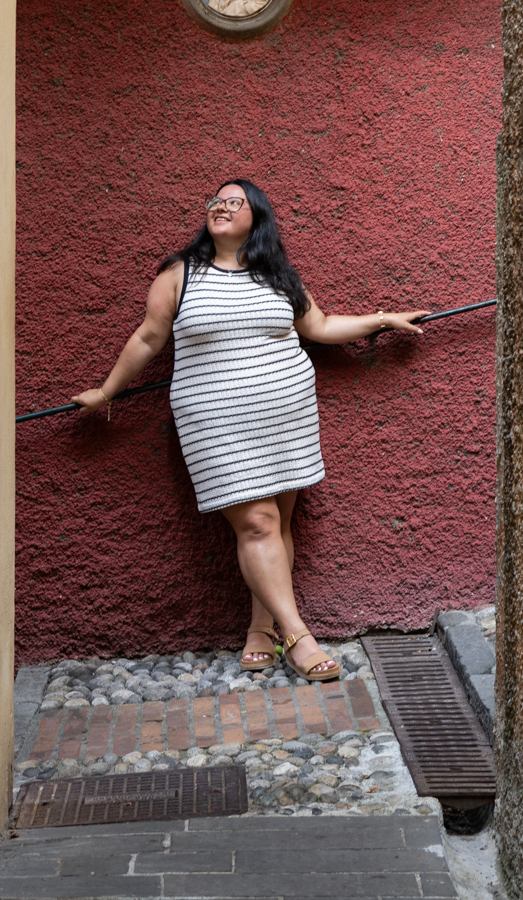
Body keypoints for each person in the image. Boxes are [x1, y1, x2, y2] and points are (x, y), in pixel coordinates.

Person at [72, 179, 429, 682]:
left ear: (256, 216)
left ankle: (260, 630)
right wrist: (106, 392)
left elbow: (320, 328)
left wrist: (383, 319)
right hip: (215, 421)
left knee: (278, 523)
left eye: (233, 201)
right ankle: (298, 637)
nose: (220, 206)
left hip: (285, 414)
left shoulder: (277, 274)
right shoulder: (180, 274)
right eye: (215, 201)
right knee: (258, 524)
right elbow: (148, 337)